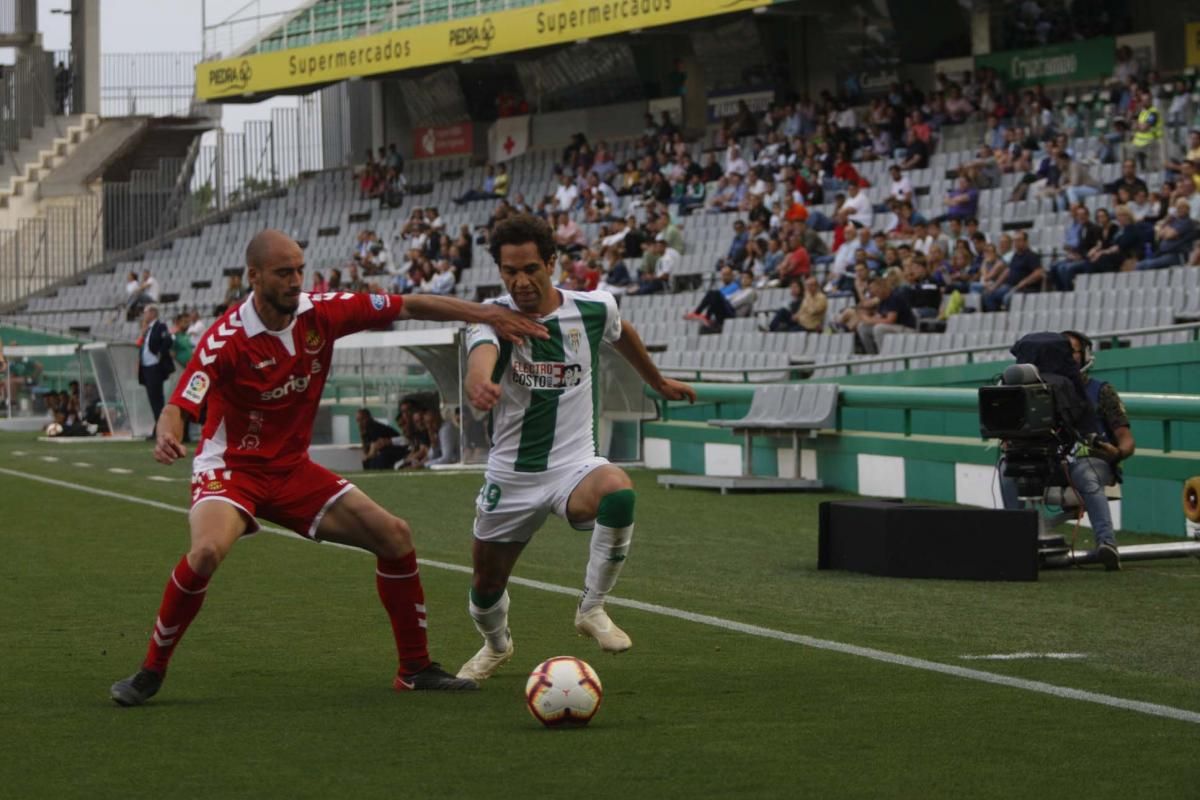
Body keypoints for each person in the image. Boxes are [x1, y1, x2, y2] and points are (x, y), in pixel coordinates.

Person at [109, 229, 548, 706]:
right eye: (283, 272)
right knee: (207, 553)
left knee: (395, 536)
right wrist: (167, 431)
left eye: (300, 269)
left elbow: (408, 305)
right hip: (232, 470)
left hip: (294, 471)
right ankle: (150, 671)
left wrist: (484, 313)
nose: (296, 280)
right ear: (253, 277)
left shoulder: (322, 311)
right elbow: (183, 399)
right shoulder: (226, 339)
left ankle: (415, 669)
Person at [455, 214, 696, 684]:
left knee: (619, 492)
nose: (521, 281)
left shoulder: (593, 308)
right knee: (485, 586)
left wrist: (657, 380)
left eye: (531, 269)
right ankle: (496, 644)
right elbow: (479, 355)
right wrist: (478, 381)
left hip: (574, 465)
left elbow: (621, 331)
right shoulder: (493, 318)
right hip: (513, 475)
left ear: (551, 262)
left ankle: (592, 607)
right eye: (510, 271)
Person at [999, 331, 1135, 571]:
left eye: (1072, 352)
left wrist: (1116, 452)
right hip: (1046, 463)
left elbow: (1126, 439)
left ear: (1085, 356)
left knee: (1085, 471)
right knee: (1007, 470)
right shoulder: (1024, 391)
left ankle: (1106, 543)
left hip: (1091, 462)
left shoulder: (1102, 391)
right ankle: (1015, 543)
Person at [136, 305, 175, 430]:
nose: (144, 315)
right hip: (146, 368)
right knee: (152, 398)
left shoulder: (160, 326)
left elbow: (167, 341)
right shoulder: (148, 329)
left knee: (157, 398)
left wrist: (160, 354)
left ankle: (161, 426)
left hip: (155, 367)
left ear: (153, 313)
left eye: (145, 312)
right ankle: (158, 425)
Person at [856, 276, 915, 355]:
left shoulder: (894, 297)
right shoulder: (882, 300)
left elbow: (890, 320)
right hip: (893, 327)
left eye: (874, 289)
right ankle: (871, 354)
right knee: (862, 327)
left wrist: (869, 320)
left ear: (882, 287)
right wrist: (866, 318)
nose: (872, 292)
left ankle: (883, 356)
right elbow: (878, 317)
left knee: (879, 328)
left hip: (906, 328)